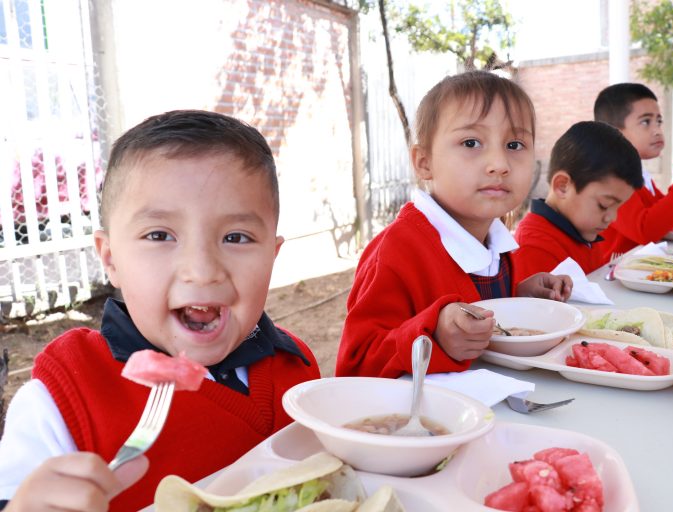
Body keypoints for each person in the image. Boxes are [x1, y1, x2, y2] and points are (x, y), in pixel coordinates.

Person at [0, 110, 320, 511]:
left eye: (236, 237)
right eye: (159, 235)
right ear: (111, 258)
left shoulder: (297, 369)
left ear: (272, 256)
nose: (202, 270)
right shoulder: (63, 395)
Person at [335, 70, 572, 380]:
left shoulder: (497, 243)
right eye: (471, 142)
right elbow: (355, 366)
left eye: (514, 145)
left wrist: (521, 297)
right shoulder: (396, 252)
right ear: (424, 163)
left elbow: (479, 311)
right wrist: (434, 336)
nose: (499, 164)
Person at [593, 83, 673, 257]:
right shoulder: (609, 174)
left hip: (641, 272)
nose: (658, 130)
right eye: (646, 122)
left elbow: (669, 220)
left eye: (659, 121)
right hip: (612, 277)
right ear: (614, 131)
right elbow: (645, 230)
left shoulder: (638, 172)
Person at [513, 121, 643, 281]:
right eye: (604, 205)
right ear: (563, 186)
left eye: (618, 207)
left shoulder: (584, 232)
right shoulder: (534, 250)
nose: (612, 217)